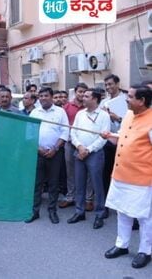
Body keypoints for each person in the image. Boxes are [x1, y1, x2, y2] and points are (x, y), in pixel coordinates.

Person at [103, 85, 152, 269]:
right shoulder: (129, 115)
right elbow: (124, 139)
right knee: (122, 211)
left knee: (144, 217)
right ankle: (121, 245)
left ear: (142, 101)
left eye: (130, 97)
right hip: (120, 174)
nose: (126, 99)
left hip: (142, 179)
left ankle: (145, 251)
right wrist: (110, 136)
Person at [67, 89, 110, 229]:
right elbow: (73, 132)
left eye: (86, 96)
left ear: (95, 99)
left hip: (95, 154)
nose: (82, 98)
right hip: (79, 152)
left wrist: (89, 150)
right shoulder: (80, 114)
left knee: (97, 185)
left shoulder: (104, 115)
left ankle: (99, 214)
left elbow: (104, 137)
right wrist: (79, 147)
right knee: (79, 184)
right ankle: (80, 212)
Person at [26, 87, 69, 224]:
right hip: (38, 152)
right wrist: (38, 149)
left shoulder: (60, 112)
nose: (43, 98)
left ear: (51, 97)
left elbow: (65, 131)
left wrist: (55, 148)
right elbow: (29, 134)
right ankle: (34, 211)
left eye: (46, 95)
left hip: (55, 153)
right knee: (37, 183)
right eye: (41, 96)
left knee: (53, 183)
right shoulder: (34, 112)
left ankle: (52, 211)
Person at [59, 83, 94, 211]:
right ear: (75, 92)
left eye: (85, 92)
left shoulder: (91, 107)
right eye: (80, 91)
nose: (82, 94)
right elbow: (63, 125)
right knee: (71, 172)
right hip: (71, 143)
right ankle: (70, 196)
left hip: (87, 144)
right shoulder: (66, 107)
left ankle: (88, 199)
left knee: (89, 172)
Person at [101, 74, 128, 195]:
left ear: (117, 84)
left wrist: (117, 118)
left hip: (123, 141)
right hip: (108, 141)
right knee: (106, 171)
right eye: (106, 85)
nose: (108, 87)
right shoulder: (104, 102)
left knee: (122, 172)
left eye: (110, 84)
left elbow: (131, 120)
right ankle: (107, 199)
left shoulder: (126, 99)